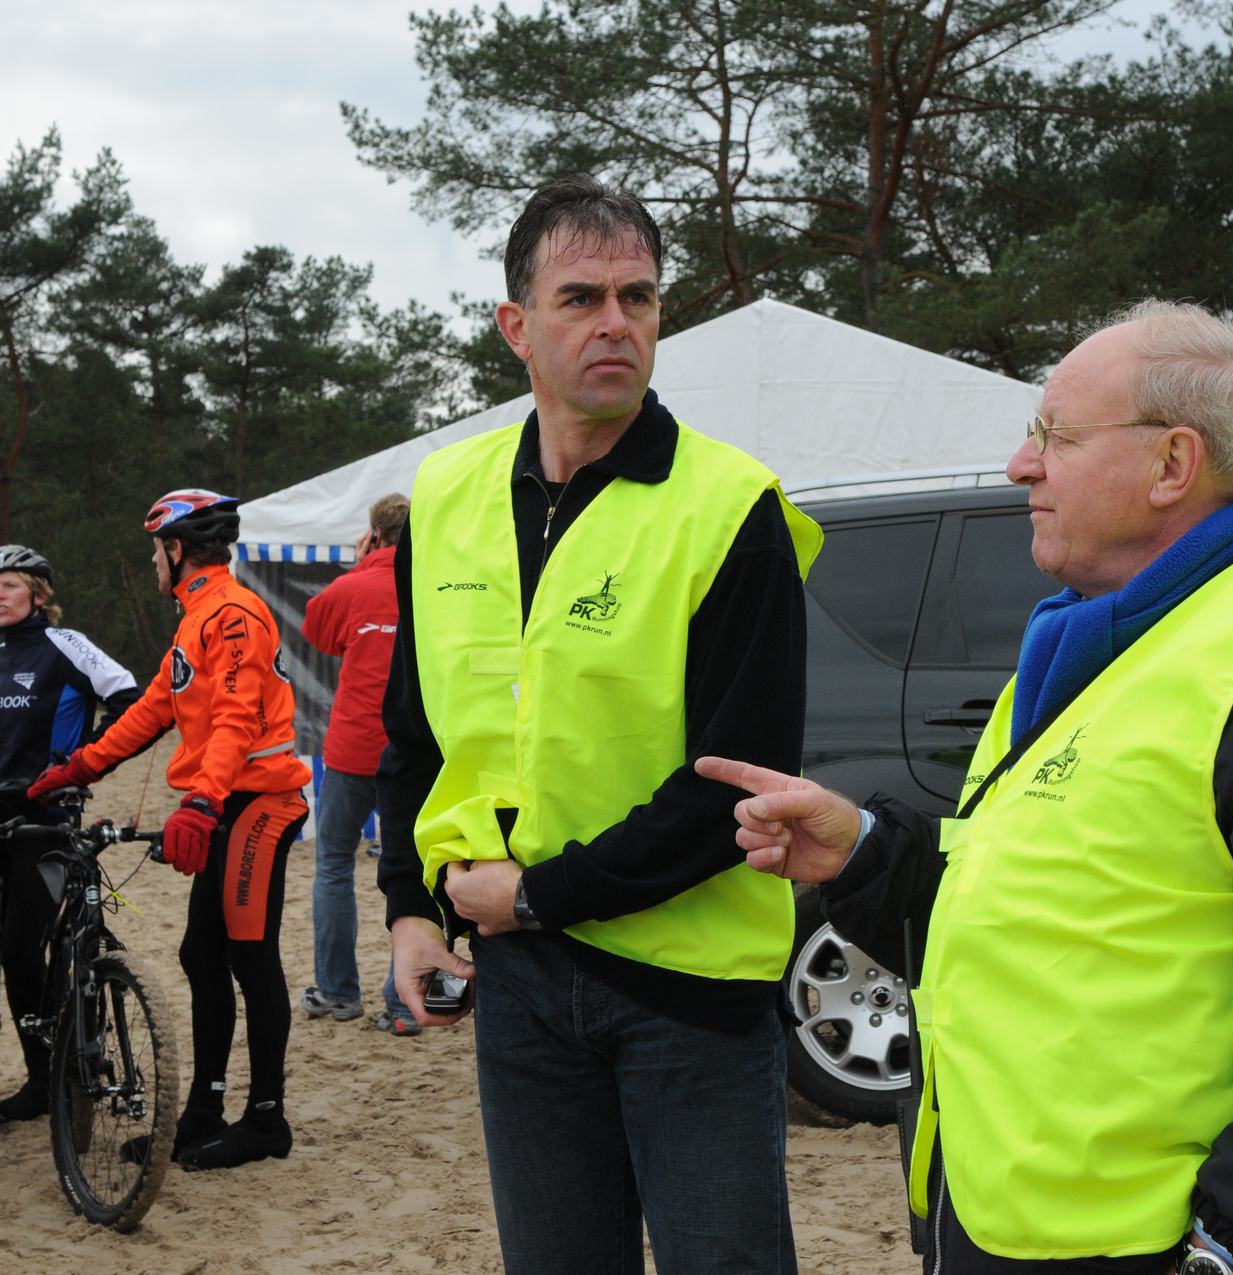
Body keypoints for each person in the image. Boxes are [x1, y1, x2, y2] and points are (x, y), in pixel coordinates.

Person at [698, 300, 1233, 1275]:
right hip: (995, 1230)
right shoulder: (1092, 644)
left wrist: (1231, 1255)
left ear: (1172, 464)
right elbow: (1054, 906)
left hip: (1149, 1250)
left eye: (1055, 435)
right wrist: (870, 853)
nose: (1019, 465)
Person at [376, 174, 822, 1275]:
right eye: (581, 298)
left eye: (639, 297)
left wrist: (534, 895)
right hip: (521, 986)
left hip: (690, 993)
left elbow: (736, 785)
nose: (616, 323)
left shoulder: (731, 507)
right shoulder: (446, 496)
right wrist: (410, 909)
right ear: (516, 326)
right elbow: (417, 735)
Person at [30, 489, 311, 1171]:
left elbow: (237, 718)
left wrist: (202, 801)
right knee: (200, 955)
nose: (153, 562)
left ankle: (266, 1118)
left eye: (156, 551)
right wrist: (80, 766)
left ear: (177, 548)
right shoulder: (198, 618)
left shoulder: (233, 613)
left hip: (256, 803)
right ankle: (204, 1114)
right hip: (226, 802)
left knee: (250, 957)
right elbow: (154, 709)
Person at [0, 542, 139, 1125]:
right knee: (5, 944)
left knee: (24, 943)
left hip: (46, 816)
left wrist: (82, 764)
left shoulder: (65, 644)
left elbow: (129, 698)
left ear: (38, 594)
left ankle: (63, 1066)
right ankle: (42, 1077)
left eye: (9, 586)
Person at [299, 493, 417, 1035]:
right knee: (411, 872)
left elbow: (317, 632)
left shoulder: (351, 588)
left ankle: (338, 992)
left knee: (333, 865)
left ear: (373, 535)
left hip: (351, 750)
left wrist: (360, 567)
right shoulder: (432, 584)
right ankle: (405, 1004)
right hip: (412, 753)